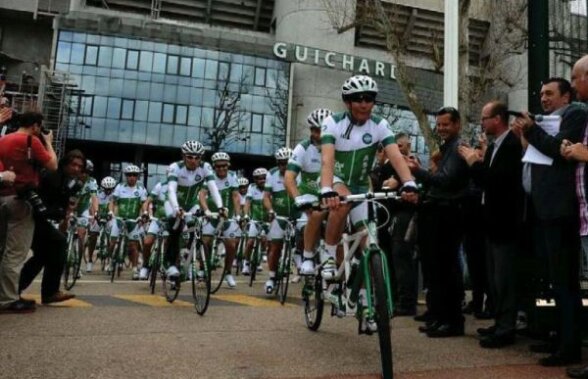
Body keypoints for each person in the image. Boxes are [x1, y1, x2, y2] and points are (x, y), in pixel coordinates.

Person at [319, 75, 417, 330]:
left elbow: (395, 156)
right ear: (348, 102)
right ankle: (328, 254)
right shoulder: (332, 123)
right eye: (358, 99)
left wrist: (409, 182)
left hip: (362, 185)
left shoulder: (379, 125)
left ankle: (366, 303)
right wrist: (327, 188)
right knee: (339, 204)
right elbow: (327, 160)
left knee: (368, 245)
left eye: (369, 99)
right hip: (339, 180)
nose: (364, 104)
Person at [512, 76, 586, 367]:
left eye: (550, 94)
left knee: (565, 283)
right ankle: (558, 336)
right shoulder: (544, 122)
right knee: (553, 281)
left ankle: (569, 346)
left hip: (560, 211)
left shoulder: (575, 114)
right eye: (541, 94)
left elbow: (559, 150)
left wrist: (533, 131)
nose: (544, 99)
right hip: (543, 211)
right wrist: (527, 136)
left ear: (566, 96)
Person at [459, 101, 524, 348]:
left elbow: (497, 182)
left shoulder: (510, 145)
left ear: (497, 119)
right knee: (495, 279)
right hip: (492, 223)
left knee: (504, 279)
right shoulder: (497, 146)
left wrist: (474, 162)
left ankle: (506, 329)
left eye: (485, 118)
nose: (482, 122)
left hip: (505, 224)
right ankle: (499, 323)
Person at [408, 106, 470, 338]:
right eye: (439, 124)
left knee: (447, 270)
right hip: (438, 213)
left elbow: (446, 181)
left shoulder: (457, 148)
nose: (441, 128)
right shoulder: (447, 148)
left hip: (449, 214)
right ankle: (440, 316)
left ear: (457, 125)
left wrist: (417, 172)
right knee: (436, 269)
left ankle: (452, 321)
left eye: (446, 124)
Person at [0, 111, 57, 314]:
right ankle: (8, 299)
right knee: (15, 253)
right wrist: (48, 142)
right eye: (40, 127)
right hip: (22, 200)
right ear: (35, 126)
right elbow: (52, 165)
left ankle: (5, 294)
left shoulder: (4, 139)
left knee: (2, 249)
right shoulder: (31, 141)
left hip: (2, 197)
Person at [18, 149, 86, 304]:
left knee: (43, 255)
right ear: (65, 163)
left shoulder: (69, 182)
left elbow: (64, 205)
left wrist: (64, 214)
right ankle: (49, 292)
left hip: (41, 219)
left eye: (79, 166)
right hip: (30, 217)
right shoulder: (52, 175)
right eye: (73, 164)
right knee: (58, 243)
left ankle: (19, 290)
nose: (76, 169)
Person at [165, 140, 224, 280]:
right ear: (184, 156)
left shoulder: (205, 167)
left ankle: (188, 254)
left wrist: (221, 207)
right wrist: (176, 208)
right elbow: (171, 190)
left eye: (197, 157)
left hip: (192, 203)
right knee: (175, 226)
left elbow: (213, 188)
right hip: (174, 203)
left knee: (196, 225)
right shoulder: (176, 167)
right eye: (190, 157)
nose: (193, 160)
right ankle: (171, 263)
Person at [285, 108, 332, 276]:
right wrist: (298, 199)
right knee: (313, 216)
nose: (317, 134)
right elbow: (289, 178)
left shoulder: (338, 145)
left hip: (331, 194)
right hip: (310, 196)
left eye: (321, 130)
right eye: (314, 130)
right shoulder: (303, 148)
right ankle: (307, 256)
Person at [199, 152, 242, 288]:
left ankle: (228, 272)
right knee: (205, 241)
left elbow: (235, 197)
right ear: (214, 167)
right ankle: (202, 268)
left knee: (231, 244)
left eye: (224, 166)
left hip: (227, 217)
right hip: (212, 216)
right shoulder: (209, 178)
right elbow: (202, 195)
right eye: (218, 167)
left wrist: (238, 215)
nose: (221, 169)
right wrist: (206, 210)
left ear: (228, 166)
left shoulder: (233, 177)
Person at [263, 147, 298, 294]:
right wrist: (270, 210)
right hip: (280, 215)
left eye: (287, 163)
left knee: (307, 231)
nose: (284, 166)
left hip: (298, 213)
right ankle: (271, 277)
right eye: (281, 163)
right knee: (275, 246)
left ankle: (299, 255)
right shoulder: (272, 174)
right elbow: (266, 197)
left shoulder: (299, 173)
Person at [109, 164, 148, 280]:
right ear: (126, 176)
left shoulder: (141, 189)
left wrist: (143, 215)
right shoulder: (120, 187)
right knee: (112, 244)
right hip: (119, 219)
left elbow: (143, 205)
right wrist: (111, 212)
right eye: (129, 175)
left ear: (137, 177)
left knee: (133, 246)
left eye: (134, 175)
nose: (132, 177)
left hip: (133, 221)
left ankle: (135, 269)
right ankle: (112, 261)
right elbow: (113, 202)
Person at [242, 167, 268, 275]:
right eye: (258, 178)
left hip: (267, 220)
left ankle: (261, 256)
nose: (261, 180)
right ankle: (246, 263)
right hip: (255, 220)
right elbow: (247, 203)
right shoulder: (252, 188)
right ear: (255, 180)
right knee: (250, 242)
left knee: (264, 239)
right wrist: (246, 215)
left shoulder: (270, 188)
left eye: (264, 178)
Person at [140, 178, 168, 280]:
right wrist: (145, 213)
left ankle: (166, 265)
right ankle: (145, 265)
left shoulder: (181, 188)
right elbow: (147, 202)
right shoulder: (160, 186)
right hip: (157, 219)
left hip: (171, 222)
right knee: (147, 242)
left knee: (167, 245)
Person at [74, 159, 99, 273]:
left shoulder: (92, 182)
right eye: (83, 171)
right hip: (69, 207)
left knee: (81, 235)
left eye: (87, 172)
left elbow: (94, 198)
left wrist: (96, 212)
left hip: (82, 210)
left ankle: (77, 265)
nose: (84, 174)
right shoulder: (72, 178)